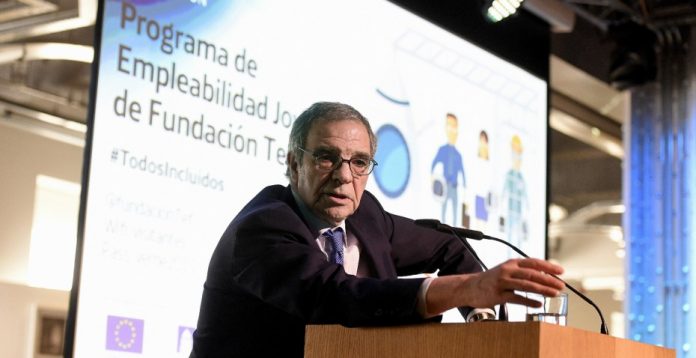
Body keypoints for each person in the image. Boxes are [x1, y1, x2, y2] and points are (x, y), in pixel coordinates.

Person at [190, 102, 564, 357]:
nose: (343, 176)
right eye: (326, 158)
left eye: (359, 162)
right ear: (293, 164)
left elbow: (448, 248)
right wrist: (466, 288)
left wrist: (481, 321)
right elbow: (335, 297)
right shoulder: (263, 228)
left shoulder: (365, 215)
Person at [431, 113, 467, 226]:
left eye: (454, 126)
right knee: (444, 208)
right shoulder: (442, 150)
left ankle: (455, 230)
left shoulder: (458, 154)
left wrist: (465, 188)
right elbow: (434, 163)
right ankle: (442, 228)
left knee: (455, 209)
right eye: (449, 126)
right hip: (445, 185)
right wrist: (432, 178)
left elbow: (462, 172)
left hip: (455, 187)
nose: (452, 130)